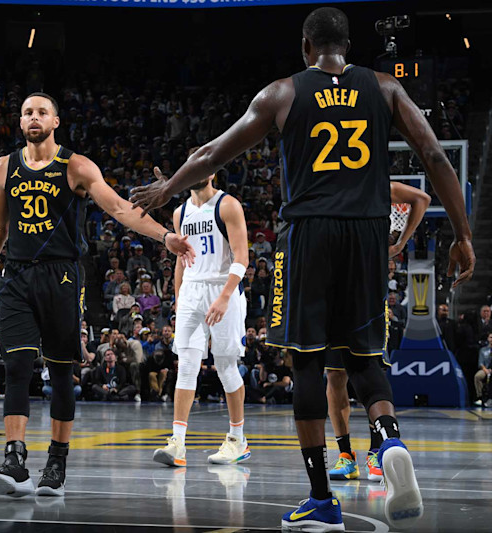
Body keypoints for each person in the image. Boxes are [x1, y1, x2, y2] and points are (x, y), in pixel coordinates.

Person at [130, 8, 475, 530]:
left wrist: (167, 189)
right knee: (363, 359)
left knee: (309, 363)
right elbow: (433, 155)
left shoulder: (283, 93)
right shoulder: (383, 88)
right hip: (366, 234)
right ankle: (388, 441)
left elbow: (212, 152)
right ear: (348, 47)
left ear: (306, 48)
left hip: (309, 234)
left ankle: (321, 499)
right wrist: (464, 235)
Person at [0, 92, 194, 498]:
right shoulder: (3, 168)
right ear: (20, 123)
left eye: (41, 112)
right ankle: (14, 459)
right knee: (17, 367)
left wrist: (165, 236)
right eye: (27, 113)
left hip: (62, 278)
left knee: (60, 374)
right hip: (17, 277)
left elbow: (120, 209)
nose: (33, 117)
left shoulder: (75, 166)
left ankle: (56, 462)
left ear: (56, 121)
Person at [325, 181, 430, 483]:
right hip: (335, 292)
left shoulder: (378, 185)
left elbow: (421, 198)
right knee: (335, 375)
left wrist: (399, 244)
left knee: (370, 369)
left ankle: (376, 451)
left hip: (369, 295)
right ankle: (346, 454)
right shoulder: (329, 188)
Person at [152, 149, 250, 469]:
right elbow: (182, 260)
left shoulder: (228, 205)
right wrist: (180, 300)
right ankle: (177, 443)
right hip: (193, 291)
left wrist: (223, 297)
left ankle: (237, 439)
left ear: (212, 172)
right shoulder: (180, 213)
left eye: (202, 167)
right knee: (187, 364)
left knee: (225, 367)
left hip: (223, 287)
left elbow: (241, 257)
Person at [474, 333, 492, 407]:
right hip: (485, 369)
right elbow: (480, 363)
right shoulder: (483, 350)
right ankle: (480, 397)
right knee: (477, 376)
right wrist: (485, 370)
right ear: (488, 339)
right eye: (491, 337)